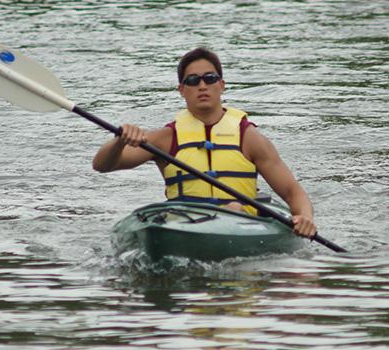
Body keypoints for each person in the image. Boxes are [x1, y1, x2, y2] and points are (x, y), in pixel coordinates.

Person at [92, 47, 316, 238]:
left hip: (241, 221)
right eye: (192, 80)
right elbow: (102, 165)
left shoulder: (249, 138)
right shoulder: (166, 138)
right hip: (184, 224)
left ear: (221, 85)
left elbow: (291, 191)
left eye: (209, 78)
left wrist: (304, 218)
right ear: (182, 90)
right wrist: (119, 141)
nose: (202, 86)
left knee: (235, 206)